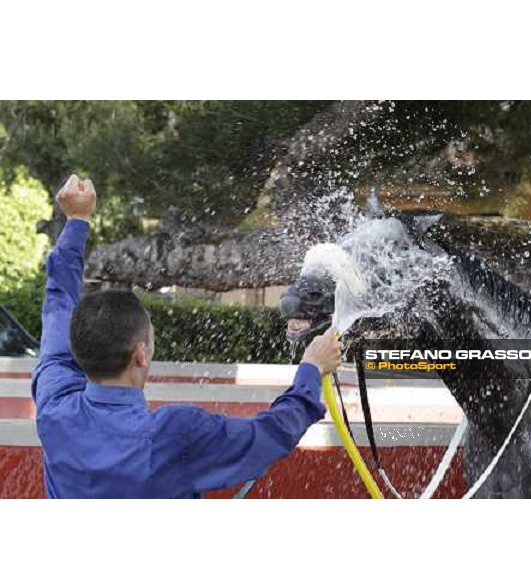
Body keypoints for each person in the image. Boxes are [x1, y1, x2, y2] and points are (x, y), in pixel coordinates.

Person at [32, 174, 342, 498]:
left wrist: (76, 220)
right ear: (140, 354)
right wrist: (311, 367)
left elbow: (58, 306)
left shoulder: (55, 407)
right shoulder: (175, 433)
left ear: (78, 348)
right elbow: (271, 434)